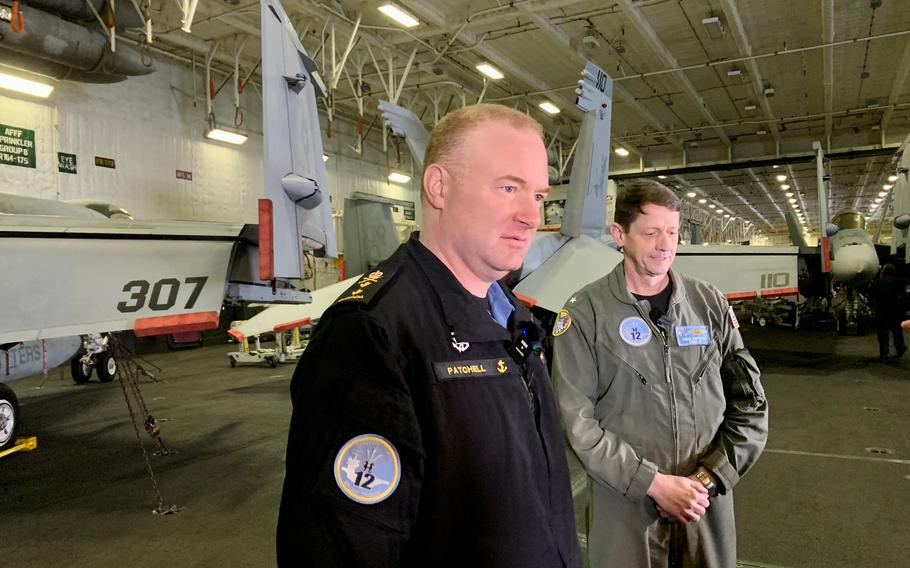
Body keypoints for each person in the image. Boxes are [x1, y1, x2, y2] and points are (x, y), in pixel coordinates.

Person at [276, 104, 582, 567]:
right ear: (439, 187)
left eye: (537, 196)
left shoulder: (515, 319)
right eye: (508, 188)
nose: (530, 216)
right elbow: (340, 546)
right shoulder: (373, 331)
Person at [551, 179, 769, 568]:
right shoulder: (586, 313)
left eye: (672, 231)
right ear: (620, 234)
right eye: (651, 232)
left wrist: (707, 479)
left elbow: (750, 405)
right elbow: (575, 421)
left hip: (704, 503)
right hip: (624, 505)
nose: (665, 244)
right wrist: (652, 483)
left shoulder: (709, 304)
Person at [869, 263, 907, 359]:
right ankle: (900, 349)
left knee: (882, 332)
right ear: (893, 271)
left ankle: (884, 351)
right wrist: (904, 309)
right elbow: (903, 297)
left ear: (883, 271)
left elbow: (871, 296)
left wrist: (874, 307)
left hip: (881, 311)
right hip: (895, 310)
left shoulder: (877, 282)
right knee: (897, 331)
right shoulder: (898, 282)